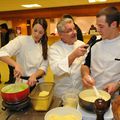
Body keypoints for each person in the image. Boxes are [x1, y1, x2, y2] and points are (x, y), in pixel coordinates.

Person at [81, 6, 120, 95]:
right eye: (97, 26)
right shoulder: (95, 43)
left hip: (114, 98)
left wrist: (117, 85)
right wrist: (85, 75)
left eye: (101, 26)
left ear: (113, 24)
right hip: (92, 93)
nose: (97, 30)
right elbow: (85, 65)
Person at [0, 18, 48, 90]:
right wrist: (16, 65)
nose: (37, 34)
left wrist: (34, 75)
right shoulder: (21, 40)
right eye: (35, 30)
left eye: (40, 32)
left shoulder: (46, 47)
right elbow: (1, 53)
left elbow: (43, 67)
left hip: (38, 83)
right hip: (22, 83)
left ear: (44, 33)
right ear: (32, 28)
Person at [48, 18, 88, 98]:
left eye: (74, 29)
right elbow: (56, 70)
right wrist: (74, 55)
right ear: (60, 34)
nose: (74, 32)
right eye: (69, 30)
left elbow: (86, 65)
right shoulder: (54, 48)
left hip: (80, 91)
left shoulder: (81, 44)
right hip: (62, 93)